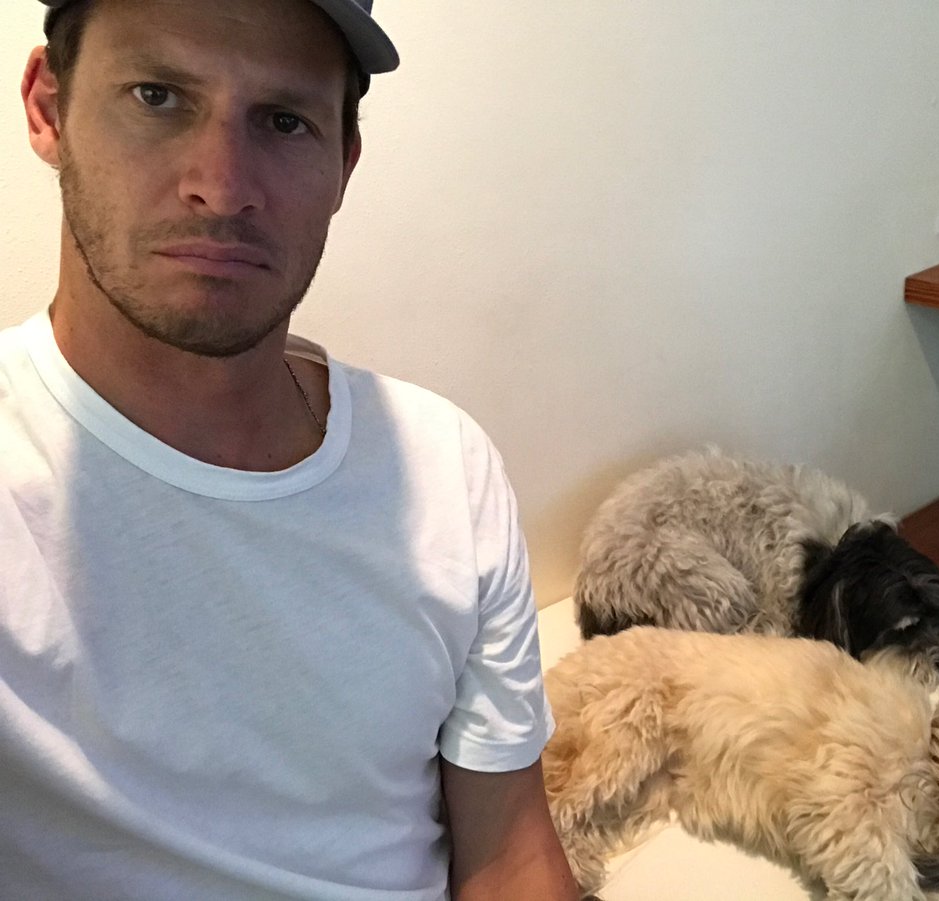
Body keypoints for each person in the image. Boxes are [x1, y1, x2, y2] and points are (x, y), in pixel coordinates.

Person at [0, 1, 577, 898]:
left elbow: (509, 859)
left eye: (282, 121)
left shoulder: (446, 468)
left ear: (344, 162)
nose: (222, 186)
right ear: (48, 106)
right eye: (157, 96)